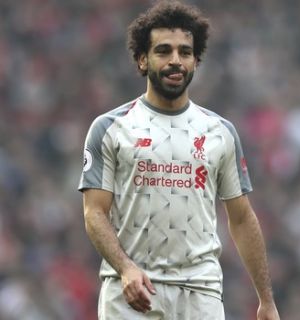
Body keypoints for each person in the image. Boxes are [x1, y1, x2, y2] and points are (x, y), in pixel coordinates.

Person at [78, 2, 280, 319]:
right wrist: (125, 268)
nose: (176, 60)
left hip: (201, 294)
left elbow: (241, 219)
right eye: (163, 51)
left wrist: (266, 300)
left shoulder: (220, 132)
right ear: (143, 60)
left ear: (195, 61)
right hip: (132, 293)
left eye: (185, 52)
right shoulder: (110, 128)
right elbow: (94, 213)